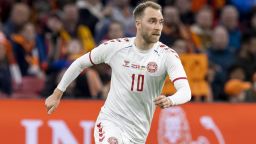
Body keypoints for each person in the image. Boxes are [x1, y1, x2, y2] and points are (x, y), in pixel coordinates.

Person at [45, 1, 191, 144]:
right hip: (110, 122)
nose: (158, 27)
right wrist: (58, 93)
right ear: (138, 24)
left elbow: (185, 91)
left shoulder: (168, 55)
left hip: (138, 132)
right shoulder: (116, 47)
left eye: (160, 22)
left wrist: (171, 100)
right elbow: (80, 63)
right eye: (152, 21)